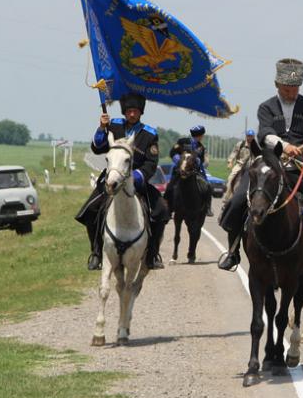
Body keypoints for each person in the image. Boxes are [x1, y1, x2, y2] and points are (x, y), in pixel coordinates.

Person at [217, 58, 303, 274]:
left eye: (296, 88)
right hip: (270, 160)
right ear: (278, 86)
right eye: (288, 89)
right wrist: (285, 146)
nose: (292, 93)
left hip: (301, 165)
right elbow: (265, 133)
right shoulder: (266, 107)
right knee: (239, 199)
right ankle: (233, 251)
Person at [75, 92, 169, 270]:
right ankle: (96, 253)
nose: (132, 114)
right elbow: (97, 148)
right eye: (129, 111)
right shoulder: (113, 126)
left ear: (140, 112)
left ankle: (152, 255)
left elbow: (151, 163)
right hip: (112, 180)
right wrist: (102, 128)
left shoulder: (150, 134)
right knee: (90, 210)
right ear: (124, 112)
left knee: (161, 211)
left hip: (136, 181)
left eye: (135, 111)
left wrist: (136, 178)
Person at [164, 125, 213, 217]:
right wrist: (179, 161)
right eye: (202, 135)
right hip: (180, 170)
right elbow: (173, 152)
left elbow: (201, 160)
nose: (202, 137)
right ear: (199, 135)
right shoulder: (182, 141)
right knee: (170, 187)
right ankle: (168, 209)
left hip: (194, 172)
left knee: (208, 187)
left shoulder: (201, 147)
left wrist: (198, 161)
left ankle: (207, 207)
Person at [223, 130, 255, 204]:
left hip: (251, 166)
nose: (249, 138)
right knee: (231, 178)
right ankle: (226, 198)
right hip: (240, 165)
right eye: (248, 136)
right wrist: (230, 162)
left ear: (253, 137)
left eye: (251, 136)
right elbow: (234, 153)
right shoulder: (241, 144)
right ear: (246, 136)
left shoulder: (256, 146)